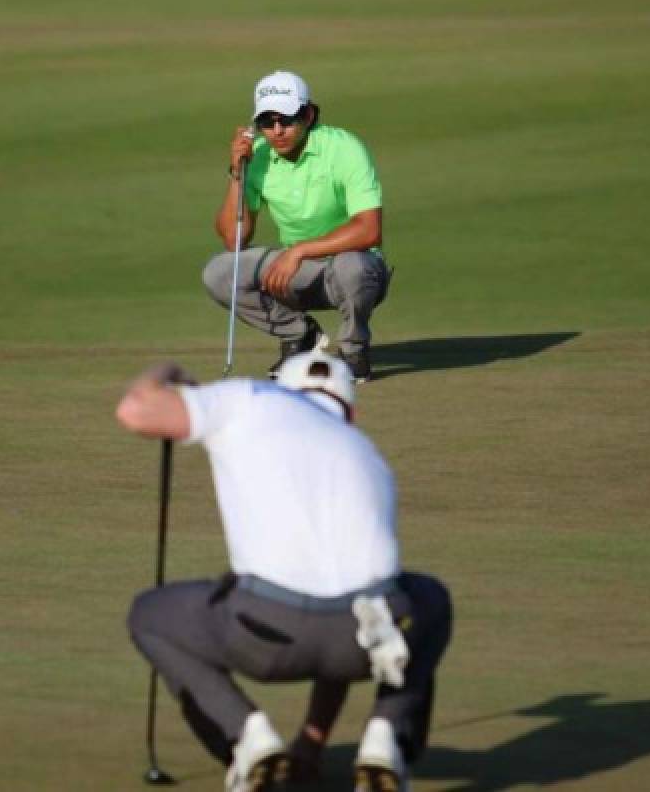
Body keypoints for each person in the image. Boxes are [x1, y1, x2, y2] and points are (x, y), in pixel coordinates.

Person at [116, 342, 452, 791]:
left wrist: (166, 369)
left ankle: (249, 744)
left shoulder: (248, 397)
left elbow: (136, 411)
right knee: (428, 599)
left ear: (284, 387)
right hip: (366, 639)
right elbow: (350, 597)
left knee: (151, 615)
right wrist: (311, 744)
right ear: (350, 412)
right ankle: (385, 739)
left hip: (264, 635)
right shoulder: (366, 452)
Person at [203, 70, 392, 383]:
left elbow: (369, 230)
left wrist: (299, 252)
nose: (277, 131)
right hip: (298, 274)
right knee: (220, 271)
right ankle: (299, 335)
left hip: (354, 270)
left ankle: (354, 350)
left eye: (287, 120)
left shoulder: (344, 149)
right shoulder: (258, 157)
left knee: (352, 265)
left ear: (309, 114)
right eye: (267, 122)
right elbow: (233, 239)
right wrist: (238, 173)